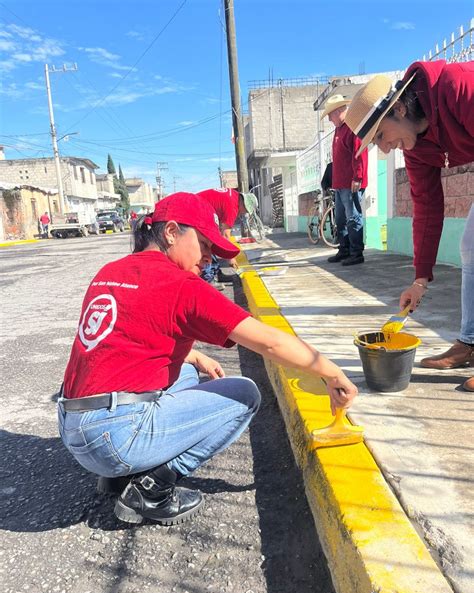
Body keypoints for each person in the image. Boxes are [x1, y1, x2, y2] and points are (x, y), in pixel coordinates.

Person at [57, 192, 358, 527]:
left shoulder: (112, 270)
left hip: (74, 426)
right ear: (171, 232)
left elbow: (127, 340)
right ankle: (152, 487)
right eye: (203, 244)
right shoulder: (181, 284)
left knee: (186, 374)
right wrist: (331, 372)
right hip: (113, 438)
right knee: (244, 395)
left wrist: (194, 354)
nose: (208, 258)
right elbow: (269, 343)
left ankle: (116, 475)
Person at [345, 60, 474, 392]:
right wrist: (419, 280)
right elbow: (427, 208)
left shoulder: (458, 88)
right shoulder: (417, 148)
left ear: (399, 108)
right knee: (470, 247)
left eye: (382, 136)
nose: (386, 150)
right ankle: (470, 342)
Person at [320, 94, 368, 266]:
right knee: (340, 218)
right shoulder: (339, 130)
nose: (330, 119)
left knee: (353, 217)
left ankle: (356, 252)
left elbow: (360, 153)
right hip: (340, 183)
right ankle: (344, 249)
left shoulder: (352, 127)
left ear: (340, 111)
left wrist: (358, 177)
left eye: (331, 115)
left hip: (351, 182)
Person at [197, 188, 258, 284]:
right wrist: (231, 258)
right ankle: (208, 279)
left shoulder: (234, 196)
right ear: (243, 204)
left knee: (213, 237)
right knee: (207, 242)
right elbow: (225, 235)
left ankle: (216, 273)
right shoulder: (232, 207)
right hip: (197, 211)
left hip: (201, 210)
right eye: (245, 211)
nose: (243, 213)